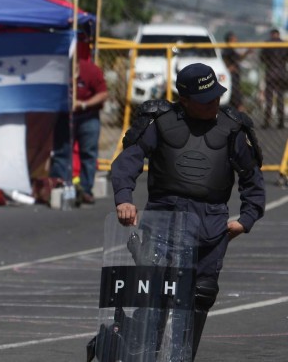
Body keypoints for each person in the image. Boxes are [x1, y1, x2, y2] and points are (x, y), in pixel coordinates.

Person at [111, 63, 265, 359]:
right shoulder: (160, 123)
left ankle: (183, 356)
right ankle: (146, 354)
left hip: (210, 226)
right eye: (205, 99)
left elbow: (252, 180)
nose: (214, 104)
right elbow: (127, 162)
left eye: (216, 97)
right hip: (162, 222)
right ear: (184, 99)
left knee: (201, 294)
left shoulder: (231, 129)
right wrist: (124, 199)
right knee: (155, 294)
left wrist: (245, 221)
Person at [50, 56, 109, 204]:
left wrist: (83, 104)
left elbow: (103, 93)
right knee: (62, 152)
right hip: (66, 116)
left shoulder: (90, 70)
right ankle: (62, 187)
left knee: (88, 153)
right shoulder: (58, 71)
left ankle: (86, 189)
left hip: (88, 116)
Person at [260, 28, 288, 129]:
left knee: (269, 98)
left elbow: (262, 59)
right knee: (280, 97)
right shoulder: (284, 44)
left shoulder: (267, 44)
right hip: (281, 73)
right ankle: (281, 121)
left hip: (270, 73)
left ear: (271, 34)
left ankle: (267, 121)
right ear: (278, 34)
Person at [222, 31, 252, 112]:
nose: (236, 39)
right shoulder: (227, 49)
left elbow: (238, 58)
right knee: (235, 94)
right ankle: (239, 110)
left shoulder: (231, 49)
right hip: (232, 76)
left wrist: (247, 52)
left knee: (236, 93)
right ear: (230, 39)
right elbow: (224, 59)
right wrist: (228, 68)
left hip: (235, 75)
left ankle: (237, 109)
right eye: (234, 38)